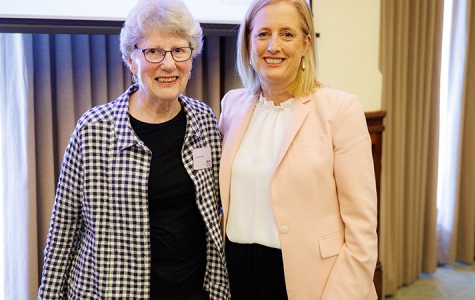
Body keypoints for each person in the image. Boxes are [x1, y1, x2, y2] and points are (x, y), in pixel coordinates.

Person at [37, 0, 230, 299]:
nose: (168, 64)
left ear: (191, 57)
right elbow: (62, 234)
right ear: (130, 59)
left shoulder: (204, 121)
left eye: (179, 50)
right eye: (153, 51)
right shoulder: (94, 130)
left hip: (192, 291)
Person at [218, 0, 378, 299]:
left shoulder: (339, 109)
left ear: (306, 43)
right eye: (263, 34)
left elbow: (362, 228)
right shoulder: (232, 106)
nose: (273, 45)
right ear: (248, 43)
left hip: (313, 281)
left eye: (287, 34)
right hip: (237, 274)